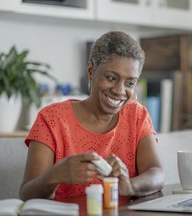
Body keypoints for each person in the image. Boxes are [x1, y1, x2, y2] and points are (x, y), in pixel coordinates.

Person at [19, 31, 165, 201]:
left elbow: (157, 173)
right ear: (90, 71)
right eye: (111, 78)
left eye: (130, 83)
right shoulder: (52, 119)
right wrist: (55, 175)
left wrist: (130, 186)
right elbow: (26, 193)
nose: (119, 90)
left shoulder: (137, 116)